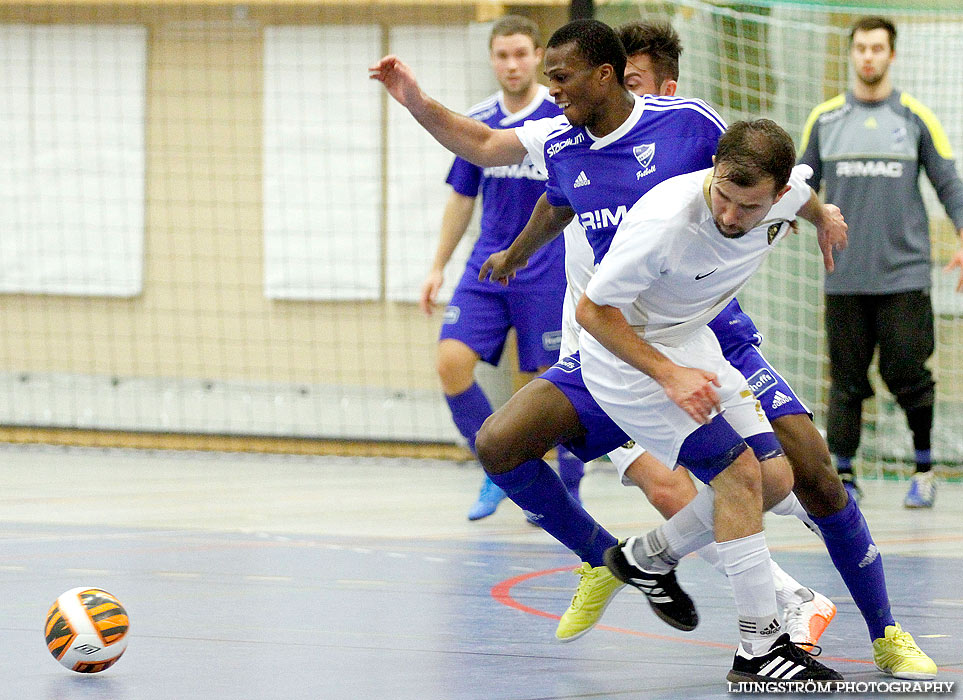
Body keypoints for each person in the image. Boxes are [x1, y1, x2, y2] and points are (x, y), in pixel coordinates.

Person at [370, 18, 936, 680]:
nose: (551, 92)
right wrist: (416, 105)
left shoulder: (694, 132)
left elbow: (779, 177)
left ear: (624, 80)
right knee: (562, 455)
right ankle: (633, 570)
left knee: (795, 474)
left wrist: (820, 214)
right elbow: (500, 159)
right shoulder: (565, 145)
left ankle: (875, 631)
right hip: (615, 342)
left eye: (563, 77)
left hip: (701, 331)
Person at [577, 119, 845, 684]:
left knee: (775, 481)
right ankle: (759, 648)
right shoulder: (664, 223)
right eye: (721, 195)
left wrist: (823, 218)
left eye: (746, 207)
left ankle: (645, 557)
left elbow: (803, 192)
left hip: (689, 341)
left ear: (773, 196)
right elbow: (592, 314)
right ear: (713, 172)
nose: (729, 216)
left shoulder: (783, 193)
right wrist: (669, 375)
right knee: (740, 477)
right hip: (630, 361)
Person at [418, 16, 585, 521]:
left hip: (545, 266)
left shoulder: (560, 119)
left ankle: (566, 495)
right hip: (487, 266)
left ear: (537, 56)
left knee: (543, 390)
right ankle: (498, 471)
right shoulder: (479, 120)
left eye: (520, 54)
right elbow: (462, 197)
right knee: (450, 362)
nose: (511, 65)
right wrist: (437, 266)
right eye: (501, 56)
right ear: (492, 60)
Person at [798, 15, 963, 509]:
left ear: (892, 55)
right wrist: (781, 216)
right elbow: (799, 184)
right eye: (861, 48)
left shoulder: (916, 118)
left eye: (877, 48)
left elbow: (948, 184)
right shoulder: (824, 120)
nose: (868, 56)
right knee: (846, 381)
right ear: (852, 55)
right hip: (844, 277)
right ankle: (843, 476)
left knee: (907, 371)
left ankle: (924, 468)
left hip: (904, 277)